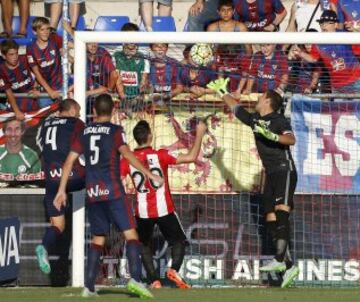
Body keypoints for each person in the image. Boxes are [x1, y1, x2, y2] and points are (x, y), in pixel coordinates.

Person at [54, 94, 163, 298]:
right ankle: (137, 280)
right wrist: (149, 174)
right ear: (113, 111)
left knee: (98, 239)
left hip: (93, 193)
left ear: (93, 111)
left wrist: (61, 190)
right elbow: (128, 154)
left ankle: (89, 287)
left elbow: (68, 162)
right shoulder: (115, 131)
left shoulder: (85, 132)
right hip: (113, 190)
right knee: (131, 235)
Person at [207, 78, 299, 288]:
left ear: (268, 101)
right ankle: (289, 264)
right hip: (270, 174)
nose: (257, 98)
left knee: (282, 212)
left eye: (261, 96)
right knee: (270, 219)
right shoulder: (256, 119)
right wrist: (223, 91)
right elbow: (239, 111)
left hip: (285, 171)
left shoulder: (278, 120)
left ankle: (278, 260)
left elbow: (290, 139)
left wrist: (272, 136)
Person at [120, 119, 208, 289]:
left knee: (143, 245)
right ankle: (174, 269)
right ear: (150, 136)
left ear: (136, 138)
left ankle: (154, 281)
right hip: (164, 208)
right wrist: (200, 134)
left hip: (142, 212)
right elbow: (191, 156)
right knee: (179, 242)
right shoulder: (161, 155)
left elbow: (117, 180)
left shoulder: (126, 161)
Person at [35, 98, 85, 275]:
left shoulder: (46, 124)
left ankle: (44, 247)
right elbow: (84, 147)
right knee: (100, 178)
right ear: (71, 111)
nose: (79, 114)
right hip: (73, 176)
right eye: (78, 111)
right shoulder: (76, 123)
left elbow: (40, 144)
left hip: (51, 180)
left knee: (58, 225)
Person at [295, 10, 360, 93]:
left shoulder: (346, 35)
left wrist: (355, 30)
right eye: (321, 23)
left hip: (355, 81)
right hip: (337, 86)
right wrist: (300, 53)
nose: (323, 25)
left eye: (327, 23)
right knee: (338, 106)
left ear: (336, 24)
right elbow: (313, 59)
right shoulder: (318, 43)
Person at [26, 17, 62, 106]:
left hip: (60, 86)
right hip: (45, 89)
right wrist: (49, 91)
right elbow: (36, 73)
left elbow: (72, 44)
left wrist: (65, 51)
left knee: (65, 116)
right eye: (42, 30)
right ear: (35, 32)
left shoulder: (55, 40)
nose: (46, 32)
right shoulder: (30, 49)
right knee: (46, 117)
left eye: (48, 29)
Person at [0, 39, 40, 121]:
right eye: (11, 54)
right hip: (17, 102)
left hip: (32, 98)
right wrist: (17, 111)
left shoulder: (25, 59)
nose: (15, 57)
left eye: (16, 53)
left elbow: (39, 73)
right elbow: (8, 91)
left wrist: (36, 88)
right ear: (4, 56)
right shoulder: (1, 70)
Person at [114, 23, 150, 101]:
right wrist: (122, 95)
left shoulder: (143, 54)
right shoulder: (116, 53)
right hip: (121, 95)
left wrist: (140, 95)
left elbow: (144, 77)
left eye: (134, 36)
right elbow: (116, 76)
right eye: (128, 36)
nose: (131, 40)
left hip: (138, 95)